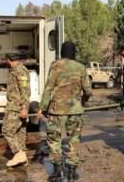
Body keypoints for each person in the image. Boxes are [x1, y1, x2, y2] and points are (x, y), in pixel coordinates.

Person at [37, 42, 92, 182]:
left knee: (54, 140)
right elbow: (88, 91)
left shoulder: (55, 66)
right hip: (75, 110)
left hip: (56, 110)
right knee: (73, 141)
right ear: (74, 52)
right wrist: (83, 102)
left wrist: (42, 108)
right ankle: (72, 173)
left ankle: (57, 172)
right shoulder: (81, 67)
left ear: (61, 52)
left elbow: (48, 88)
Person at [2, 53, 31, 167]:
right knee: (20, 132)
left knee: (6, 130)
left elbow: (25, 91)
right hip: (15, 106)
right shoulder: (14, 69)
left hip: (16, 107)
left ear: (9, 59)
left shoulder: (20, 71)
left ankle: (19, 153)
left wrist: (24, 108)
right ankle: (22, 157)